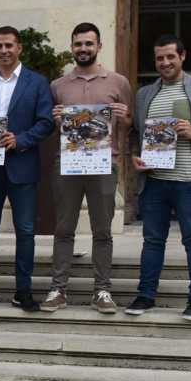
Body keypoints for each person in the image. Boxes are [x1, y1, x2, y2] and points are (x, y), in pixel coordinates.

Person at [128, 34, 191, 322]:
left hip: (189, 179)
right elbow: (136, 133)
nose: (164, 62)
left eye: (170, 57)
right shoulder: (144, 94)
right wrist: (135, 156)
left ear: (182, 56)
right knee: (152, 241)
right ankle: (145, 295)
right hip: (154, 180)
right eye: (159, 58)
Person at [42, 24, 133, 315]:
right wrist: (56, 119)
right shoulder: (58, 86)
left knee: (102, 230)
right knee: (63, 228)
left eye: (89, 44)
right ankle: (58, 289)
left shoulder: (118, 82)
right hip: (67, 164)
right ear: (72, 47)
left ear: (99, 46)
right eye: (78, 44)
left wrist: (125, 116)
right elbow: (51, 129)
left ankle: (102, 290)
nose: (83, 49)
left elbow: (130, 125)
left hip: (104, 163)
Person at [0, 26, 55, 313]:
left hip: (22, 164)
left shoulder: (37, 83)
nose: (4, 51)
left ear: (19, 48)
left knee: (26, 231)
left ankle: (23, 291)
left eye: (9, 45)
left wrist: (21, 140)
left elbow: (45, 122)